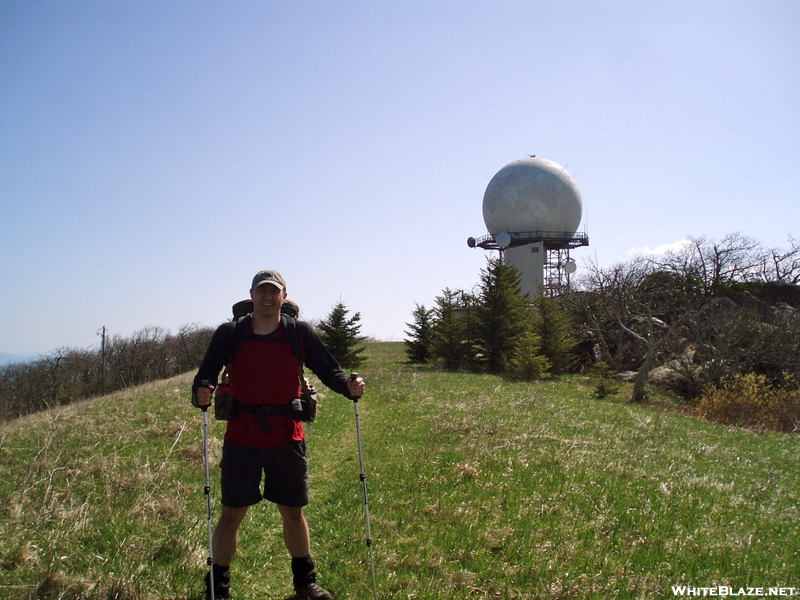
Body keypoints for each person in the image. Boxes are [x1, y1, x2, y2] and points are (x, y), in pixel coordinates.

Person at [192, 270, 365, 600]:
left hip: (288, 437)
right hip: (241, 437)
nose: (268, 297)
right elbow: (205, 376)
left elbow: (328, 369)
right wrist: (200, 391)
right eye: (262, 291)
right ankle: (218, 589)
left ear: (284, 296)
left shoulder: (298, 333)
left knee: (293, 512)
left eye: (274, 291)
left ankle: (305, 585)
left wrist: (348, 387)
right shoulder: (230, 333)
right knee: (231, 514)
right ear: (252, 295)